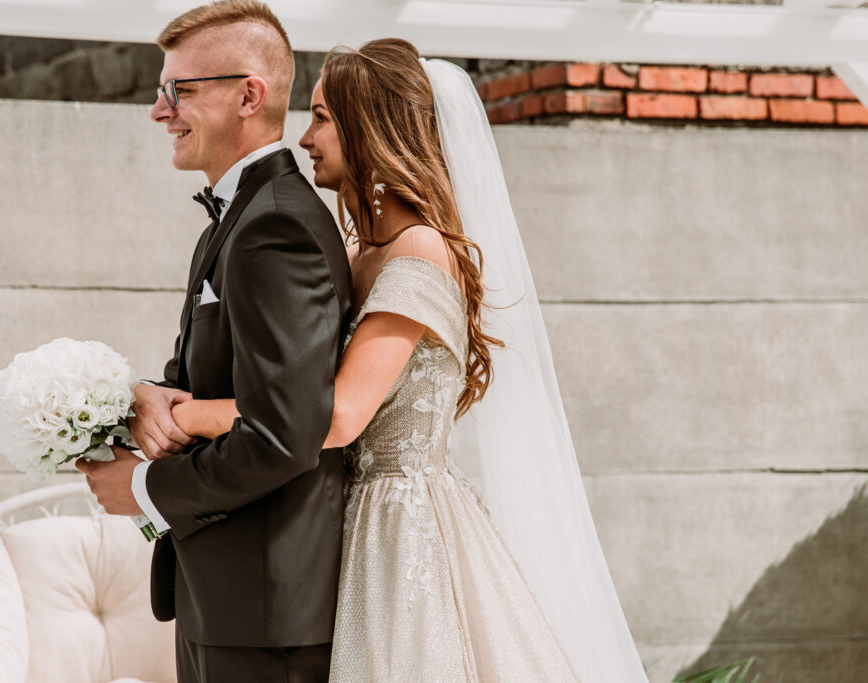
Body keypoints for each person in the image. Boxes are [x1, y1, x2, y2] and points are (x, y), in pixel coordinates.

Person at [172, 39, 649, 681]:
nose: (305, 138)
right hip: (343, 517)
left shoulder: (420, 251)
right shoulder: (357, 253)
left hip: (401, 525)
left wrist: (187, 416)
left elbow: (339, 416)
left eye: (322, 118)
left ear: (371, 128)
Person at [77, 2, 352, 681]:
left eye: (178, 90)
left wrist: (145, 486)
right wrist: (143, 397)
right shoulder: (233, 222)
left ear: (248, 97)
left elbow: (284, 433)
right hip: (225, 601)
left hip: (268, 613)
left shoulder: (277, 227)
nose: (158, 111)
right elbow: (207, 385)